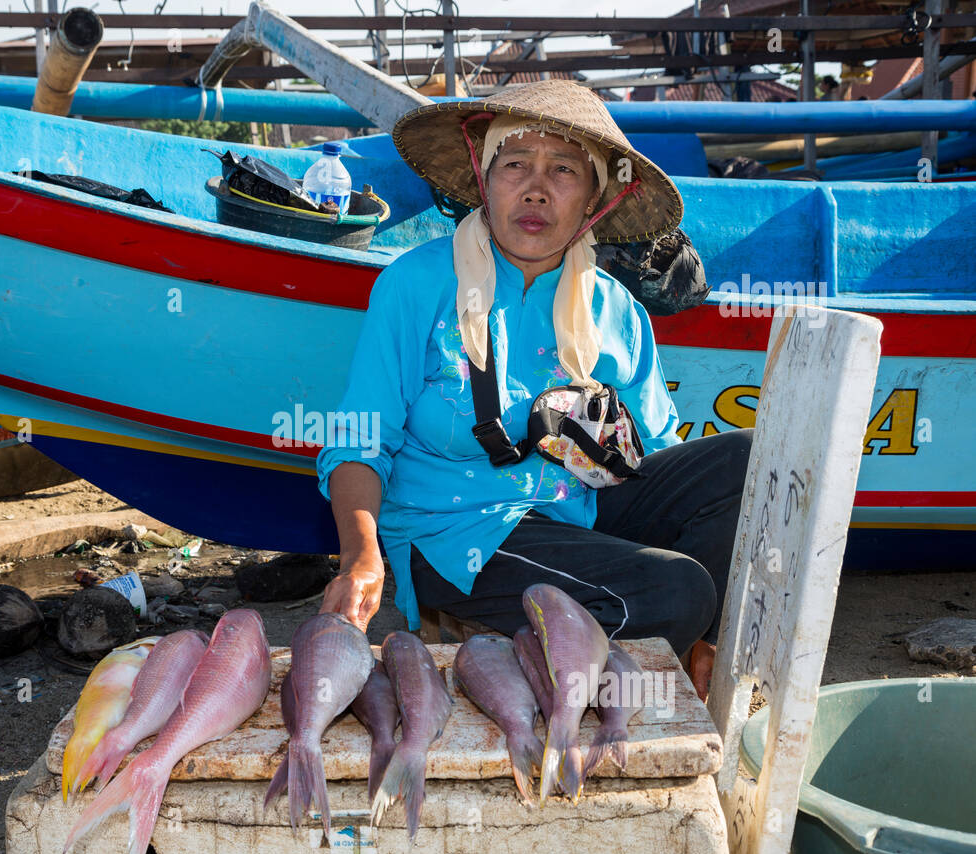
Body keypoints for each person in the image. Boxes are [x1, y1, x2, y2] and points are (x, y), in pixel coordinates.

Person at [314, 81, 752, 699]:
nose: (536, 188)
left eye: (564, 170)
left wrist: (710, 622)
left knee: (747, 458)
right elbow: (359, 443)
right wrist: (361, 556)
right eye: (515, 163)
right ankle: (632, 656)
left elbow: (653, 457)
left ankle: (686, 642)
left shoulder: (617, 309)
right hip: (456, 532)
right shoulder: (416, 284)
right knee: (679, 590)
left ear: (595, 199)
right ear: (484, 176)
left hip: (579, 514)